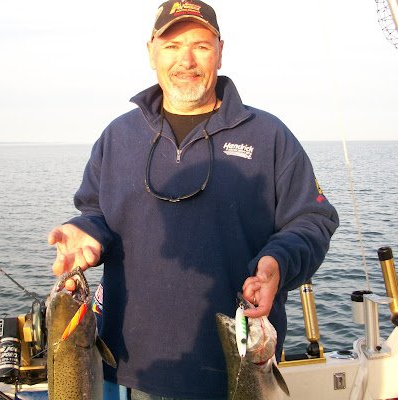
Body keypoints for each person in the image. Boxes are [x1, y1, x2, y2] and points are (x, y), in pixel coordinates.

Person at [48, 1, 339, 399]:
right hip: (137, 367)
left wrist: (277, 264)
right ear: (151, 51)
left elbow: (312, 219)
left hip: (240, 366)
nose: (186, 60)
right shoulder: (117, 137)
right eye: (171, 46)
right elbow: (96, 211)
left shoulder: (269, 136)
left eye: (200, 46)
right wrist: (85, 232)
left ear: (220, 49)